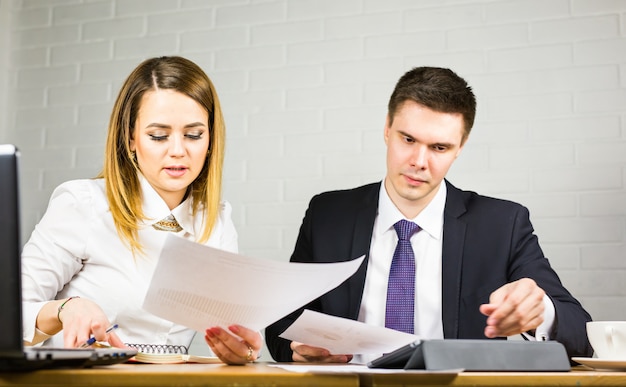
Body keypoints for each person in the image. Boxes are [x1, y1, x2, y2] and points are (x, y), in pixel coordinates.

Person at [265, 66, 593, 363]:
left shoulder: (503, 225)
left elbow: (581, 334)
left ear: (460, 147)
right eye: (407, 139)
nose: (419, 161)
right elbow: (283, 322)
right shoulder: (327, 215)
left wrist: (540, 311)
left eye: (439, 148)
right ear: (387, 129)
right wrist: (299, 350)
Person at [21, 56, 262, 365]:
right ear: (130, 138)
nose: (177, 150)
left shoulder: (216, 222)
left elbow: (235, 331)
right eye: (158, 135)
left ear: (211, 138)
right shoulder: (82, 203)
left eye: (194, 134)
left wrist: (244, 348)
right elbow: (8, 316)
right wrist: (64, 309)